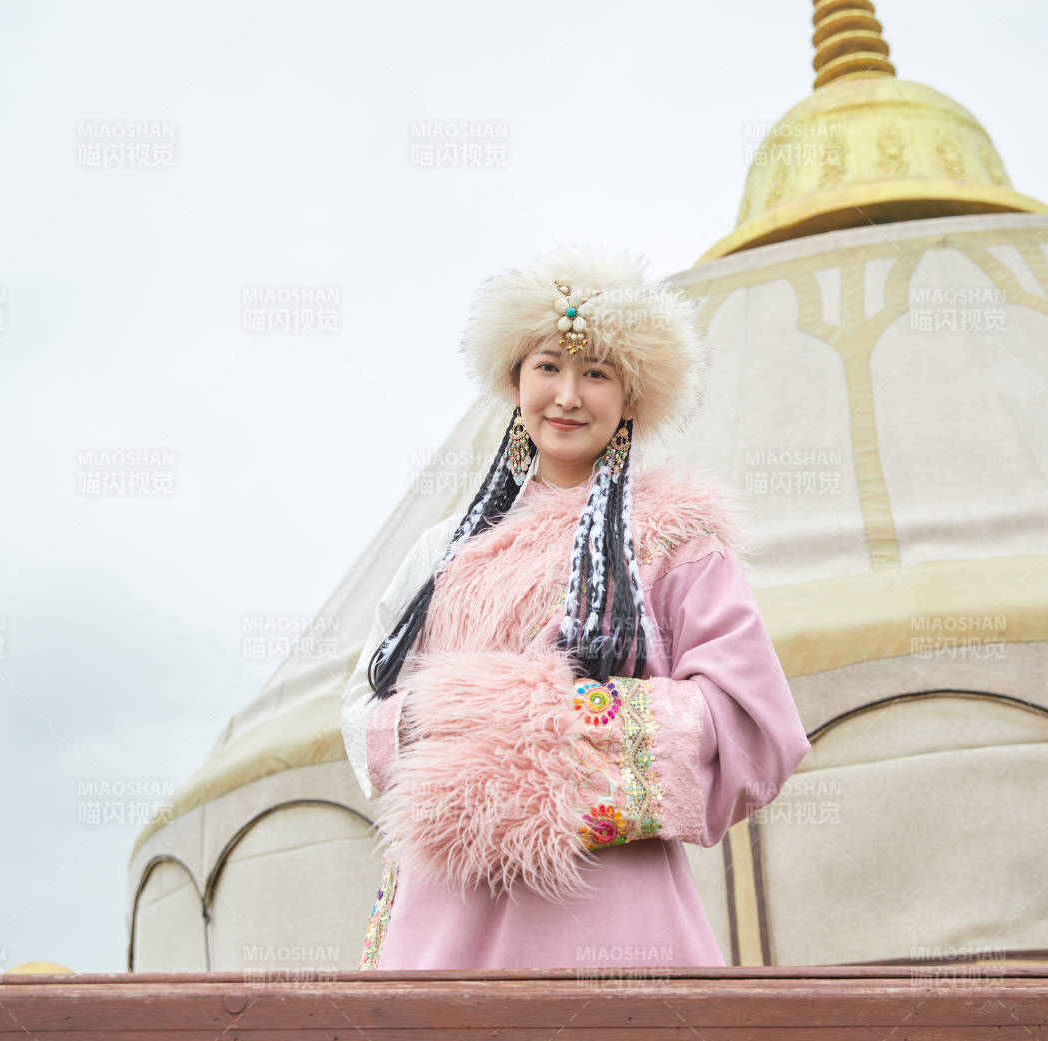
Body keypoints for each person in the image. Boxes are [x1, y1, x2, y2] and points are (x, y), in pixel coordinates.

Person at [340, 244, 810, 970]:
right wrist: (446, 730)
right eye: (548, 367)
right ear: (514, 380)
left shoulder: (674, 541)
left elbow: (757, 725)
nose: (567, 395)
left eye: (596, 373)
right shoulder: (445, 548)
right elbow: (366, 702)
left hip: (610, 912)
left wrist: (545, 729)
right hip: (445, 909)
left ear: (631, 398)